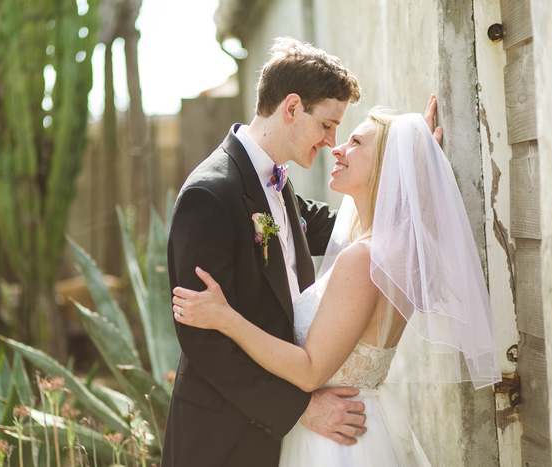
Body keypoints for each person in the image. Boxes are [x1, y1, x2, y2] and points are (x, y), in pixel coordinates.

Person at [171, 110, 502, 466]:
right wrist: (415, 165)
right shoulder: (399, 250)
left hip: (335, 440)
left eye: (355, 142)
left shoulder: (362, 259)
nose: (336, 148)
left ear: (388, 167)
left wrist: (225, 317)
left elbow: (311, 369)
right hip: (362, 422)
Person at [161, 37, 365, 467]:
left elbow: (341, 228)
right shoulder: (209, 194)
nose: (332, 141)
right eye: (327, 124)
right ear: (291, 108)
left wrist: (409, 168)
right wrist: (300, 408)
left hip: (282, 432)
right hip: (224, 438)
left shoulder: (277, 180)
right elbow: (202, 339)